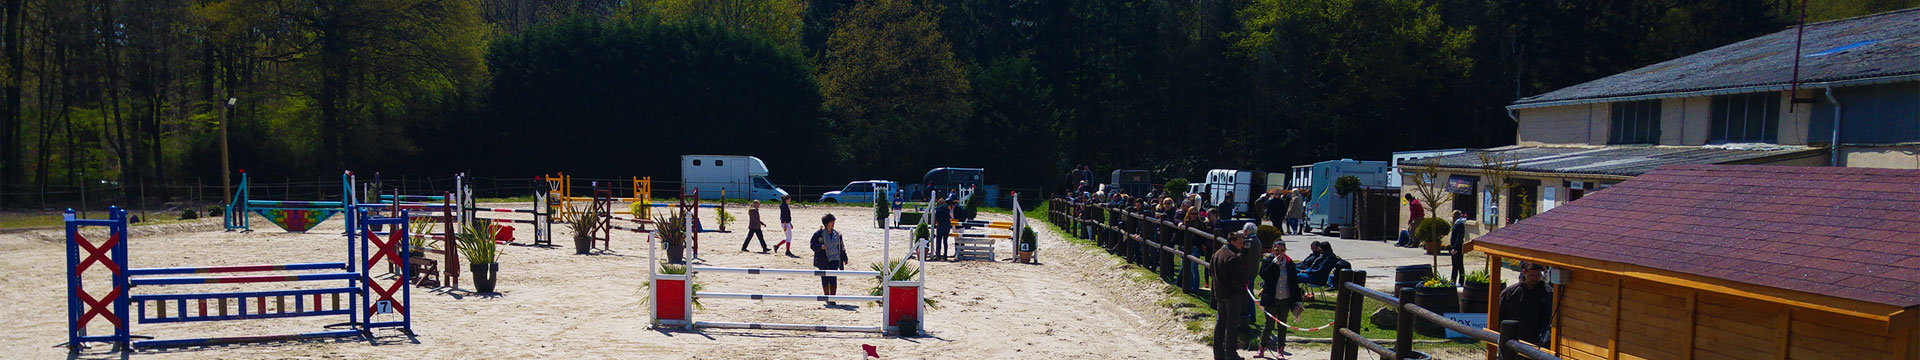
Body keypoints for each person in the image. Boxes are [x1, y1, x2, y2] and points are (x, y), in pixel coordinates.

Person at [1210, 224, 1257, 360]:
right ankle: (1231, 354)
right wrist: (1243, 295)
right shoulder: (1232, 258)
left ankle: (1218, 354)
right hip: (1232, 295)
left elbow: (1211, 273)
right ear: (1232, 242)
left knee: (1220, 324)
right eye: (1239, 243)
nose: (1242, 245)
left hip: (1220, 293)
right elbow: (1240, 279)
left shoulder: (1217, 254)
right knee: (1232, 325)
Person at [1258, 238, 1305, 359]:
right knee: (1269, 325)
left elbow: (1294, 283)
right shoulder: (1268, 261)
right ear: (1273, 250)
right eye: (1277, 250)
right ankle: (1262, 348)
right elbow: (1263, 275)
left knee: (1282, 325)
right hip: (1271, 299)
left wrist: (1298, 301)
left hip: (1285, 299)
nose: (1279, 252)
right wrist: (1274, 264)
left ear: (1285, 251)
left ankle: (1280, 350)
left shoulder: (1289, 263)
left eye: (1282, 250)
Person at [1499, 263, 1554, 345]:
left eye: (1537, 275)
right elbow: (1500, 315)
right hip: (1514, 339)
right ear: (1524, 272)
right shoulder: (1510, 292)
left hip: (1537, 341)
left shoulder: (1547, 293)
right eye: (1531, 275)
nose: (1534, 279)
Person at [811, 214, 850, 306]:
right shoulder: (819, 234)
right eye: (831, 222)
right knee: (825, 278)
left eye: (833, 222)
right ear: (826, 223)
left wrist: (845, 257)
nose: (833, 224)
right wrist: (820, 247)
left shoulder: (837, 234)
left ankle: (832, 298)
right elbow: (812, 245)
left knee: (833, 278)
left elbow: (841, 247)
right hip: (823, 259)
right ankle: (826, 296)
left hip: (835, 259)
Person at [932, 195, 955, 260]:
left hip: (940, 225)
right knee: (945, 241)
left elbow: (936, 218)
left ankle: (938, 255)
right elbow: (949, 217)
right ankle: (945, 255)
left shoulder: (938, 208)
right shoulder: (947, 208)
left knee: (939, 241)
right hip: (947, 225)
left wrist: (935, 225)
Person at [1449, 210, 1469, 284]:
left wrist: (1455, 249)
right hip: (1454, 247)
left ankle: (1461, 281)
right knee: (1455, 265)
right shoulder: (1456, 224)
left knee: (1460, 265)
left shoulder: (1460, 224)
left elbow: (1459, 237)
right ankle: (1453, 281)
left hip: (1458, 248)